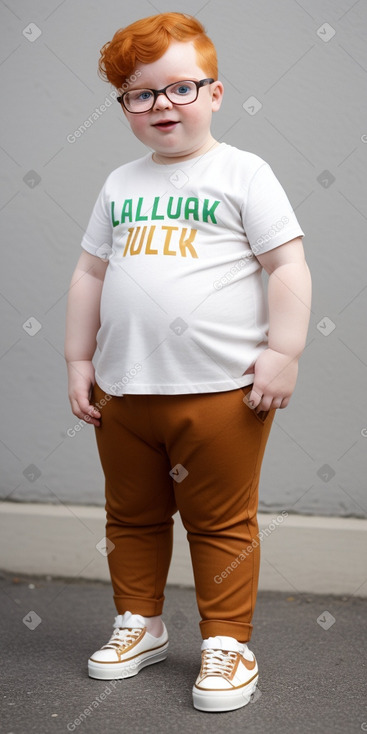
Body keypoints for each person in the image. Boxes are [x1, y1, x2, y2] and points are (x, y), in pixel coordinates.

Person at [64, 12, 311, 713]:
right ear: (124, 107)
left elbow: (285, 262)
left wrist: (283, 351)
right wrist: (78, 357)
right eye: (140, 94)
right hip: (124, 390)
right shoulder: (119, 183)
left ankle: (227, 641)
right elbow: (88, 275)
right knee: (131, 517)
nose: (161, 105)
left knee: (221, 523)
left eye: (179, 88)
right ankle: (139, 624)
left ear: (215, 93)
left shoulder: (242, 172)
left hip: (222, 392)